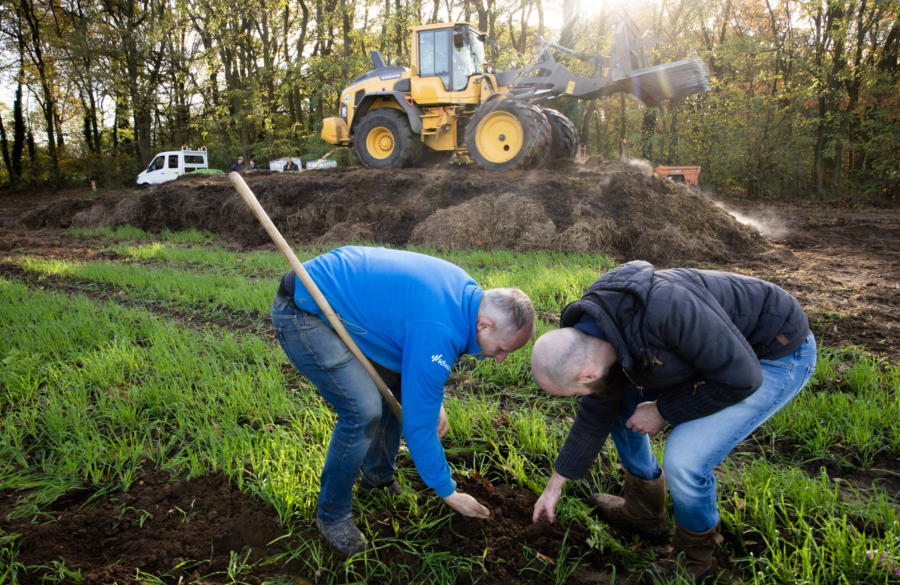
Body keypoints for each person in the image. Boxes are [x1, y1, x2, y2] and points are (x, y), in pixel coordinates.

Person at [530, 261, 815, 583]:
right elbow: (597, 408)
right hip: (706, 355)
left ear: (587, 374)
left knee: (684, 460)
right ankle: (644, 514)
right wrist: (555, 486)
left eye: (577, 390)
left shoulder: (667, 311)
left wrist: (663, 410)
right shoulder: (598, 328)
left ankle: (696, 557)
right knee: (617, 403)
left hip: (772, 355)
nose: (583, 396)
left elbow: (742, 379)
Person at [271, 246, 535, 557]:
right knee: (363, 410)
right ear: (485, 325)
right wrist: (448, 491)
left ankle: (378, 479)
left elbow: (417, 357)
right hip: (305, 307)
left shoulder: (468, 298)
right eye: (503, 348)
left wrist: (431, 398)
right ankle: (332, 516)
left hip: (349, 299)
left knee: (393, 390)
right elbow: (419, 428)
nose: (502, 359)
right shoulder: (440, 328)